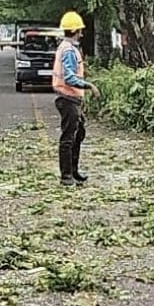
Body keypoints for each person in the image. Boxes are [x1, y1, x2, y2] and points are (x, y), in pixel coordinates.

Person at [51, 11, 99, 186]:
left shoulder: (65, 47)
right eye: (80, 30)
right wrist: (89, 86)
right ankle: (66, 176)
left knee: (78, 133)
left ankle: (73, 171)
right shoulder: (69, 50)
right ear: (76, 30)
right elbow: (69, 78)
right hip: (68, 98)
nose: (82, 33)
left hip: (70, 98)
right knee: (69, 137)